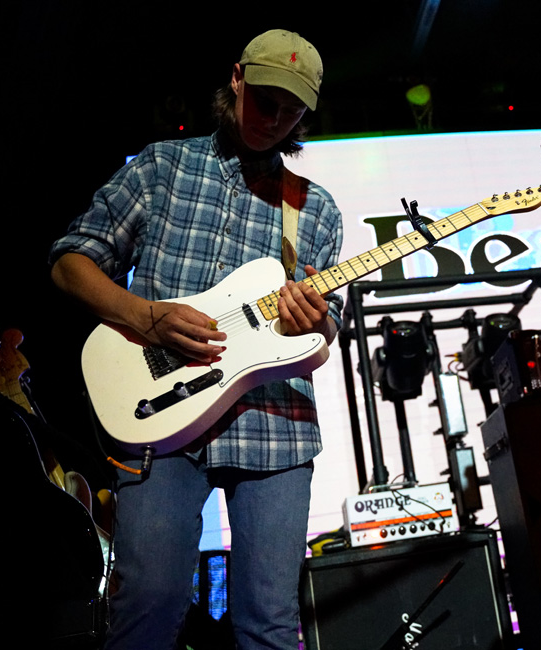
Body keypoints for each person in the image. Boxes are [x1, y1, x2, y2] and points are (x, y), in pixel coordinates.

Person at [49, 29, 343, 649]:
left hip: (275, 428)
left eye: (291, 111)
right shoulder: (162, 167)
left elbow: (324, 332)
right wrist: (146, 316)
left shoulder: (315, 208)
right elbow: (70, 263)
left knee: (269, 623)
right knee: (149, 604)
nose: (275, 120)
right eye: (266, 100)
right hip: (161, 420)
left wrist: (314, 321)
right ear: (236, 78)